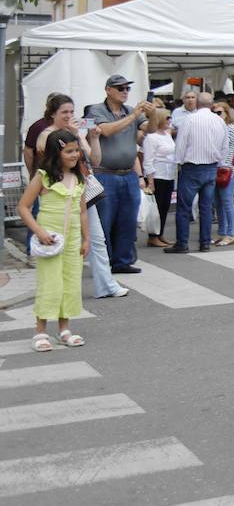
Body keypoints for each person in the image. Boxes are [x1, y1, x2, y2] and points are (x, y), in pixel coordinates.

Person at [36, 97, 126, 299]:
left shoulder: (74, 134)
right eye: (64, 112)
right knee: (63, 240)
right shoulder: (47, 136)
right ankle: (56, 287)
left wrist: (91, 138)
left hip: (81, 190)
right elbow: (49, 164)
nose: (69, 116)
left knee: (97, 238)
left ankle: (106, 285)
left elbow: (95, 160)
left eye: (71, 112)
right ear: (53, 114)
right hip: (59, 195)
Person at [19, 130, 90, 351]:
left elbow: (83, 211)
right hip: (50, 239)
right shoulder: (43, 177)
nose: (75, 155)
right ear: (55, 153)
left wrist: (86, 239)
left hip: (72, 240)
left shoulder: (79, 177)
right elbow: (23, 207)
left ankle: (64, 329)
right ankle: (40, 331)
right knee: (50, 283)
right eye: (69, 151)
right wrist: (39, 231)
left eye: (76, 150)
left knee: (70, 283)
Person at [87, 74, 154, 274]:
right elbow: (105, 131)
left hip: (128, 173)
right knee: (104, 220)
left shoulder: (129, 111)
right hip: (105, 173)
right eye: (120, 88)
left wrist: (153, 114)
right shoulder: (95, 110)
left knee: (127, 219)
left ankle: (122, 261)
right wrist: (133, 116)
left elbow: (149, 130)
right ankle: (103, 261)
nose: (125, 91)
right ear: (108, 90)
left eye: (127, 88)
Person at [167, 92, 224, 254]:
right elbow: (224, 145)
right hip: (211, 166)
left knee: (184, 207)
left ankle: (182, 243)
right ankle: (204, 242)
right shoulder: (219, 121)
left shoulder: (189, 120)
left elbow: (181, 144)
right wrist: (219, 162)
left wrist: (179, 162)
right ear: (211, 105)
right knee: (206, 207)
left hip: (192, 167)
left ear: (197, 103)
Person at [140, 110, 176, 248]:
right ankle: (153, 235)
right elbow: (148, 160)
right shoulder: (151, 138)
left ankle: (160, 233)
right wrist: (150, 180)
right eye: (167, 118)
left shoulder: (167, 135)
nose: (169, 120)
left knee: (165, 206)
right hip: (158, 175)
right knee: (156, 207)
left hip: (169, 174)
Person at [210, 102, 234, 247]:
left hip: (226, 169)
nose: (217, 116)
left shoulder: (230, 128)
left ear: (227, 114)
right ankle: (222, 232)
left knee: (227, 202)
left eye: (219, 113)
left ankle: (231, 233)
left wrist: (224, 168)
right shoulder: (214, 127)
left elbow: (230, 150)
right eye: (214, 113)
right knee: (218, 203)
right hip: (215, 168)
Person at [22, 93, 64, 177]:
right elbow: (28, 151)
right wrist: (32, 173)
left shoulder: (68, 126)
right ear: (47, 106)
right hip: (44, 173)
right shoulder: (38, 126)